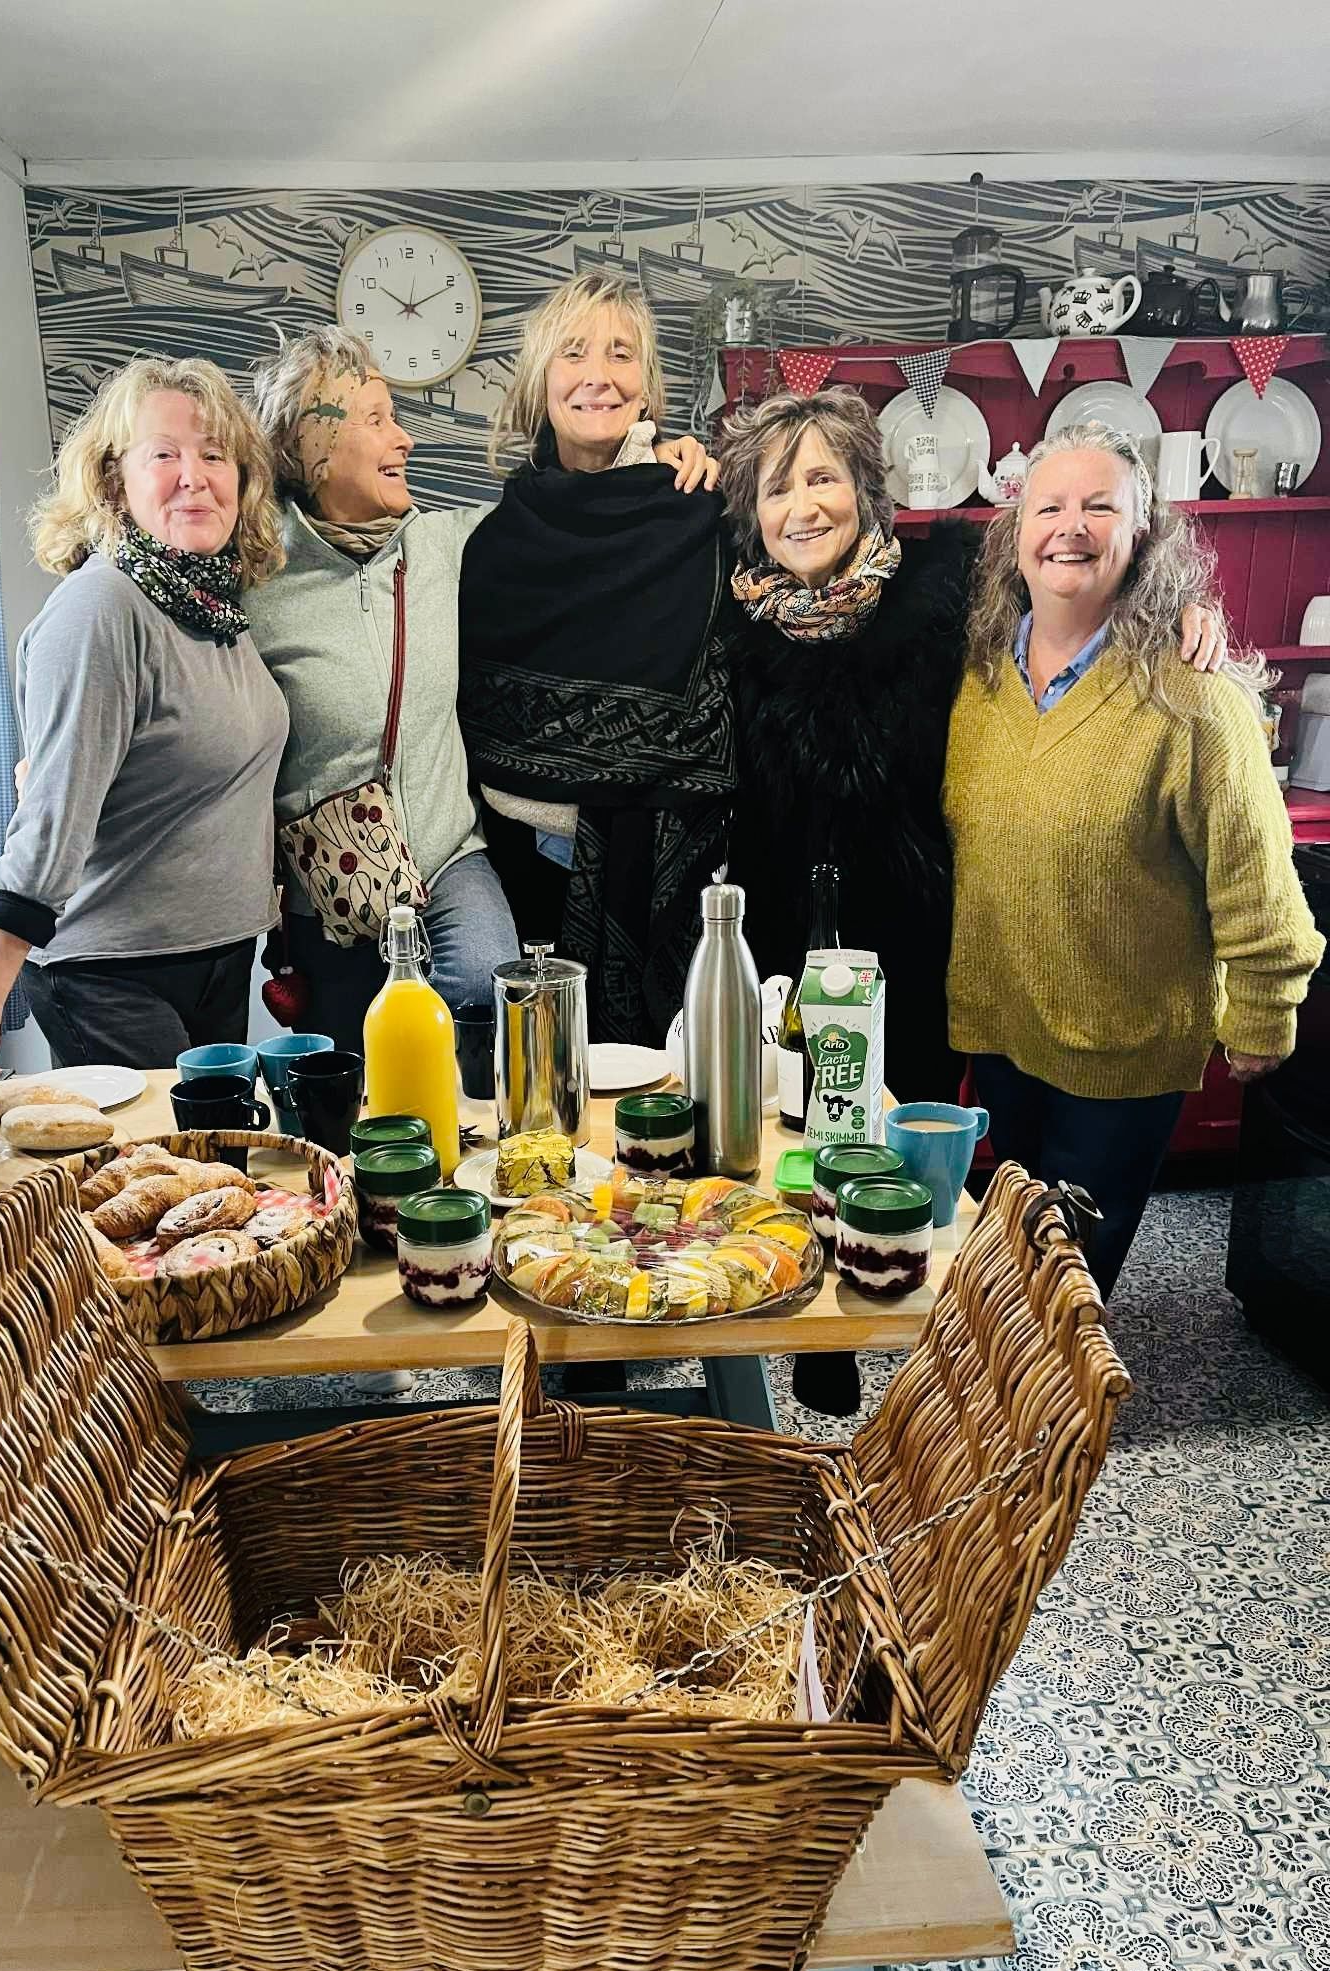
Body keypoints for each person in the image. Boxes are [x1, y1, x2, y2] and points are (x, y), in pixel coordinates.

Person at [717, 387, 1231, 1109]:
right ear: (753, 517)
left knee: (903, 1174)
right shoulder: (728, 620)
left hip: (919, 953)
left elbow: (1080, 576)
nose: (802, 508)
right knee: (784, 1155)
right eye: (777, 490)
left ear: (865, 490)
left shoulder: (952, 584)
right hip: (775, 956)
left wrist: (1173, 603)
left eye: (823, 478)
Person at [247, 324, 715, 1057]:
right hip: (332, 882)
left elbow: (569, 522)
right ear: (312, 447)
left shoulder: (448, 545)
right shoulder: (258, 584)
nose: (404, 440)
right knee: (349, 1067)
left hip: (447, 858)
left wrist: (652, 459)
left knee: (483, 1002)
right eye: (377, 421)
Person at [945, 421, 1323, 1298]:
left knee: (1067, 1286)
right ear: (1014, 531)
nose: (1070, 526)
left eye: (1099, 506)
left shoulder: (1192, 698)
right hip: (1003, 1031)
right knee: (1016, 1257)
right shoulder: (977, 679)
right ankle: (1017, 1411)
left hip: (1122, 1054)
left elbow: (1258, 877)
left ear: (1143, 535)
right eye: (1050, 506)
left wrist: (1264, 1014)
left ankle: (1053, 1428)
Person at [0, 356, 288, 1090]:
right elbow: (52, 812)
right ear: (115, 480)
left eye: (215, 455)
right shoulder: (103, 610)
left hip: (212, 960)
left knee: (214, 1185)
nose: (194, 475)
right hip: (110, 976)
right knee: (157, 1188)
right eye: (164, 454)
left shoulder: (213, 611)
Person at [459, 272, 731, 1043]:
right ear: (540, 381)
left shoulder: (694, 508)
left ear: (647, 387)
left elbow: (716, 687)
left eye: (622, 355)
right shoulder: (497, 539)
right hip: (518, 859)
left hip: (655, 862)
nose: (598, 377)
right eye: (573, 353)